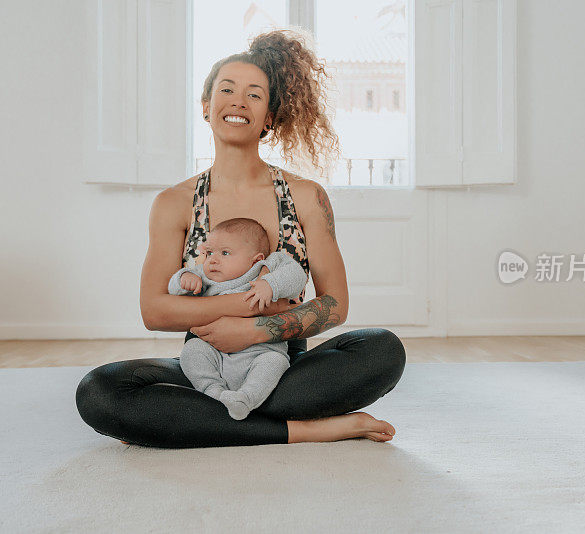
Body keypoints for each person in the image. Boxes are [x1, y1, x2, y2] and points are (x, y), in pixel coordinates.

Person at [75, 28, 406, 448]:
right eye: (227, 89)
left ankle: (196, 421)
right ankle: (303, 429)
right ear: (206, 107)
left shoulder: (305, 196)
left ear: (269, 117)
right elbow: (154, 311)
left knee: (383, 349)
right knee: (99, 391)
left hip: (279, 364)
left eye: (254, 94)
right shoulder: (174, 203)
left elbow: (336, 305)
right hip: (205, 364)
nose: (238, 100)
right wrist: (241, 312)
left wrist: (256, 333)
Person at [168, 217, 307, 420]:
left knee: (275, 362)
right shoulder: (204, 276)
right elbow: (173, 286)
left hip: (259, 353)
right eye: (208, 253)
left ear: (256, 259)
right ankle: (214, 392)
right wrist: (184, 279)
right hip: (216, 354)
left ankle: (245, 398)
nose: (213, 260)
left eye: (225, 253)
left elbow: (297, 276)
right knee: (192, 351)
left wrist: (270, 284)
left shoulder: (267, 266)